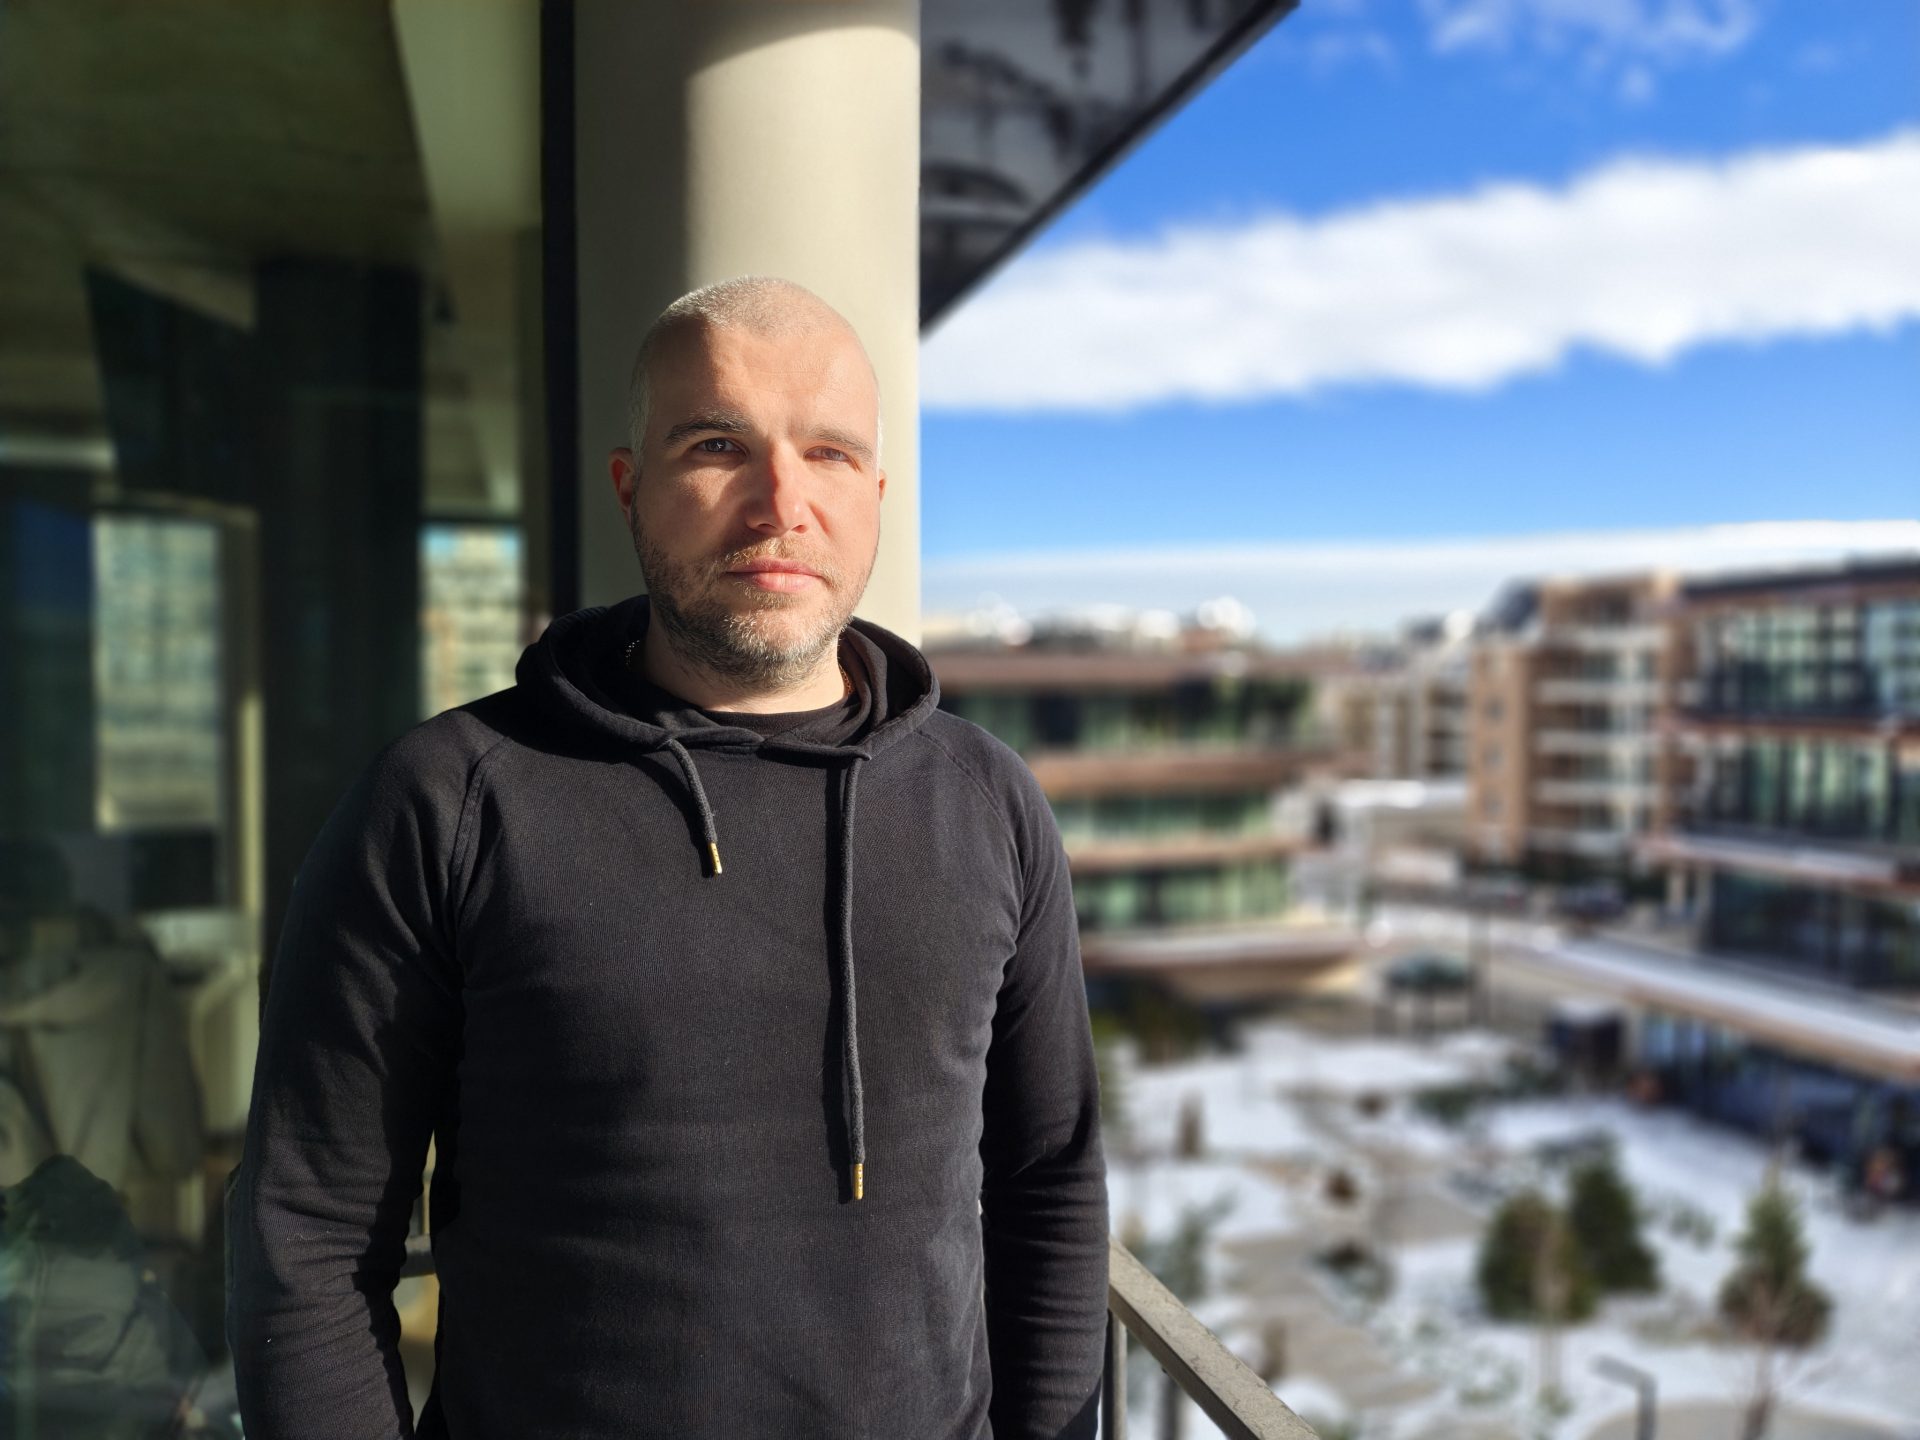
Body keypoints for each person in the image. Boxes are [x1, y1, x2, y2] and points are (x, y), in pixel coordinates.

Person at [226, 277, 1109, 1439]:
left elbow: (1049, 1187)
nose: (781, 504)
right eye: (717, 446)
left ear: (878, 496)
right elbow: (309, 1235)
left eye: (831, 454)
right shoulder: (448, 800)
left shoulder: (988, 803)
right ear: (628, 486)